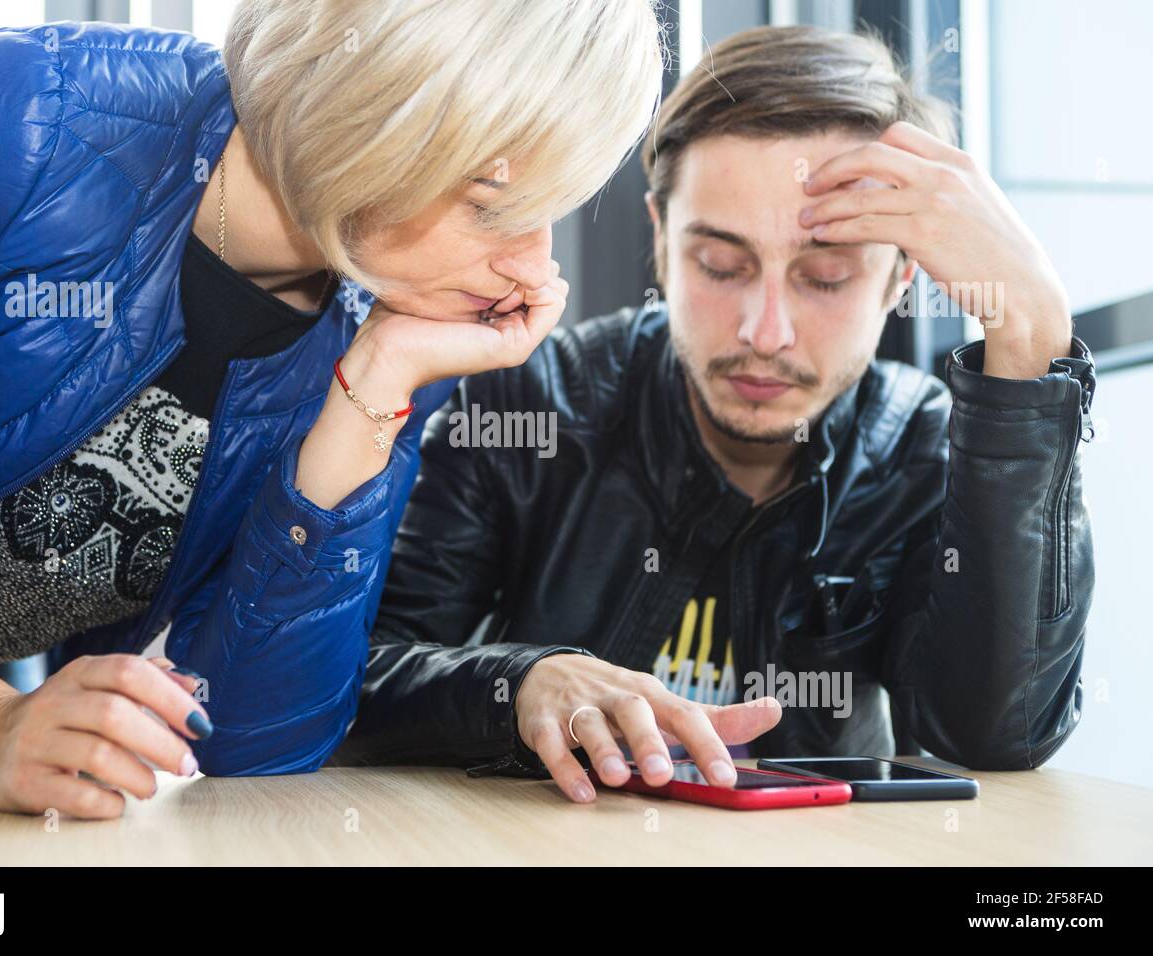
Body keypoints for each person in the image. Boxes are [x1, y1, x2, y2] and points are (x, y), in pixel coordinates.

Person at [0, 0, 664, 817]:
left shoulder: (401, 319)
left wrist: (372, 393)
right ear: (369, 108)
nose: (533, 271)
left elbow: (259, 740)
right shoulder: (7, 120)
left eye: (549, 210)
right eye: (493, 203)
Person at [336, 26, 1096, 804]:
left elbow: (999, 735)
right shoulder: (533, 404)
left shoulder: (920, 449)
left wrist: (1028, 335)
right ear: (662, 239)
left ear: (902, 278)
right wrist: (522, 682)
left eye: (826, 277)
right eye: (721, 266)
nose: (765, 334)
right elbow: (345, 685)